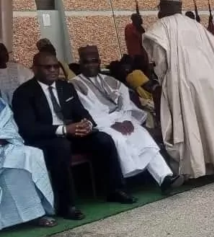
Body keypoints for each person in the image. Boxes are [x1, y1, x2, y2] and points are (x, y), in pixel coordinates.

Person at [12, 52, 136, 219]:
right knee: (61, 147)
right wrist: (64, 129)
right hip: (44, 139)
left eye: (56, 66)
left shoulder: (65, 87)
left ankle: (115, 190)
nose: (53, 70)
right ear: (34, 69)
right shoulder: (24, 93)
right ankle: (66, 205)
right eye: (47, 67)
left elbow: (81, 112)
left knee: (103, 139)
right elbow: (28, 128)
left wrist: (87, 125)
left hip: (71, 134)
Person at [142, 0, 214, 180]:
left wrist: (164, 81)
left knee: (190, 124)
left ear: (163, 7)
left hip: (181, 82)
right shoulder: (197, 26)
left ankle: (195, 168)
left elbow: (160, 62)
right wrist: (212, 76)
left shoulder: (160, 27)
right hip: (209, 81)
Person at [70, 46, 183, 193]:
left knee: (141, 133)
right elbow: (85, 111)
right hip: (101, 125)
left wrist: (126, 120)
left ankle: (165, 178)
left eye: (94, 61)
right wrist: (113, 123)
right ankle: (127, 182)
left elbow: (126, 103)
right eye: (87, 62)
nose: (91, 65)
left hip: (123, 120)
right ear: (80, 63)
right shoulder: (74, 85)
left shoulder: (111, 80)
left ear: (99, 62)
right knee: (119, 139)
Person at [0, 97, 56, 230]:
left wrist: (3, 139)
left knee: (30, 155)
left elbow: (8, 126)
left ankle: (36, 214)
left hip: (3, 145)